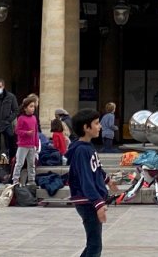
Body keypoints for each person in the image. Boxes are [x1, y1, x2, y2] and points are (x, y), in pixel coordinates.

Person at [68, 108, 110, 257]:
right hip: (87, 201)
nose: (100, 126)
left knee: (93, 244)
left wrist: (108, 180)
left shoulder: (88, 147)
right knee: (95, 245)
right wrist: (98, 203)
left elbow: (96, 169)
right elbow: (85, 179)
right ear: (86, 128)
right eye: (97, 123)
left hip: (90, 200)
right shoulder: (81, 151)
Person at [12, 96, 41, 185]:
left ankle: (31, 179)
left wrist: (36, 144)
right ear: (25, 108)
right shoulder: (21, 118)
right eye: (30, 106)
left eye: (33, 107)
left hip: (32, 145)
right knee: (19, 163)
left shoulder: (34, 118)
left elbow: (36, 132)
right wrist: (26, 133)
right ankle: (15, 179)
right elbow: (17, 131)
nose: (33, 109)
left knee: (31, 163)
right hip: (23, 145)